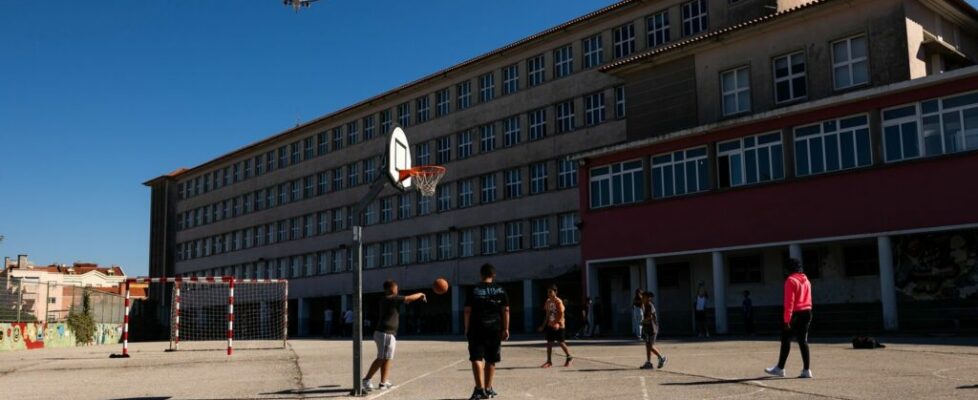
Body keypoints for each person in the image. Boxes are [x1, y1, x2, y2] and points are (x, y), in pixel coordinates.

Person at [362, 280, 427, 391]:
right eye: (395, 288)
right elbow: (408, 298)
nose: (396, 290)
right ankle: (366, 380)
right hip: (385, 333)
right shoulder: (390, 298)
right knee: (382, 358)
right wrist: (421, 294)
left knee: (387, 358)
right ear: (388, 289)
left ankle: (383, 382)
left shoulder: (389, 299)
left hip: (388, 333)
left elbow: (407, 300)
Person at [464, 264, 510, 400]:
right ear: (493, 275)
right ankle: (488, 389)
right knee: (491, 358)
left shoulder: (474, 289)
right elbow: (506, 310)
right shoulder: (500, 289)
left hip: (476, 327)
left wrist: (466, 328)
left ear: (481, 274)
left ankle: (479, 389)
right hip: (494, 327)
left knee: (476, 357)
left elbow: (467, 310)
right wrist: (506, 328)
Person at [766, 258, 814, 379]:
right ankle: (807, 370)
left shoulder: (790, 280)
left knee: (786, 340)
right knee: (803, 341)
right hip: (807, 311)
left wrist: (787, 320)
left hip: (795, 314)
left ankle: (780, 368)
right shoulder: (806, 280)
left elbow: (789, 302)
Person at [538, 284, 574, 368]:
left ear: (555, 292)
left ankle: (569, 357)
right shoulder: (547, 301)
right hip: (550, 325)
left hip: (559, 325)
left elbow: (561, 313)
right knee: (549, 343)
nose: (549, 293)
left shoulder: (558, 301)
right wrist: (543, 326)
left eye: (550, 292)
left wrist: (557, 323)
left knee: (561, 342)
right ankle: (549, 361)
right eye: (548, 292)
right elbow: (547, 315)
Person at [639, 291, 667, 370]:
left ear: (648, 298)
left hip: (653, 329)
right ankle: (648, 363)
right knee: (647, 346)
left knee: (650, 346)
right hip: (647, 328)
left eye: (643, 297)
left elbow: (650, 317)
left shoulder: (650, 306)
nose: (642, 299)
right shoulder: (644, 305)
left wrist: (642, 321)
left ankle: (662, 358)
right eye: (642, 297)